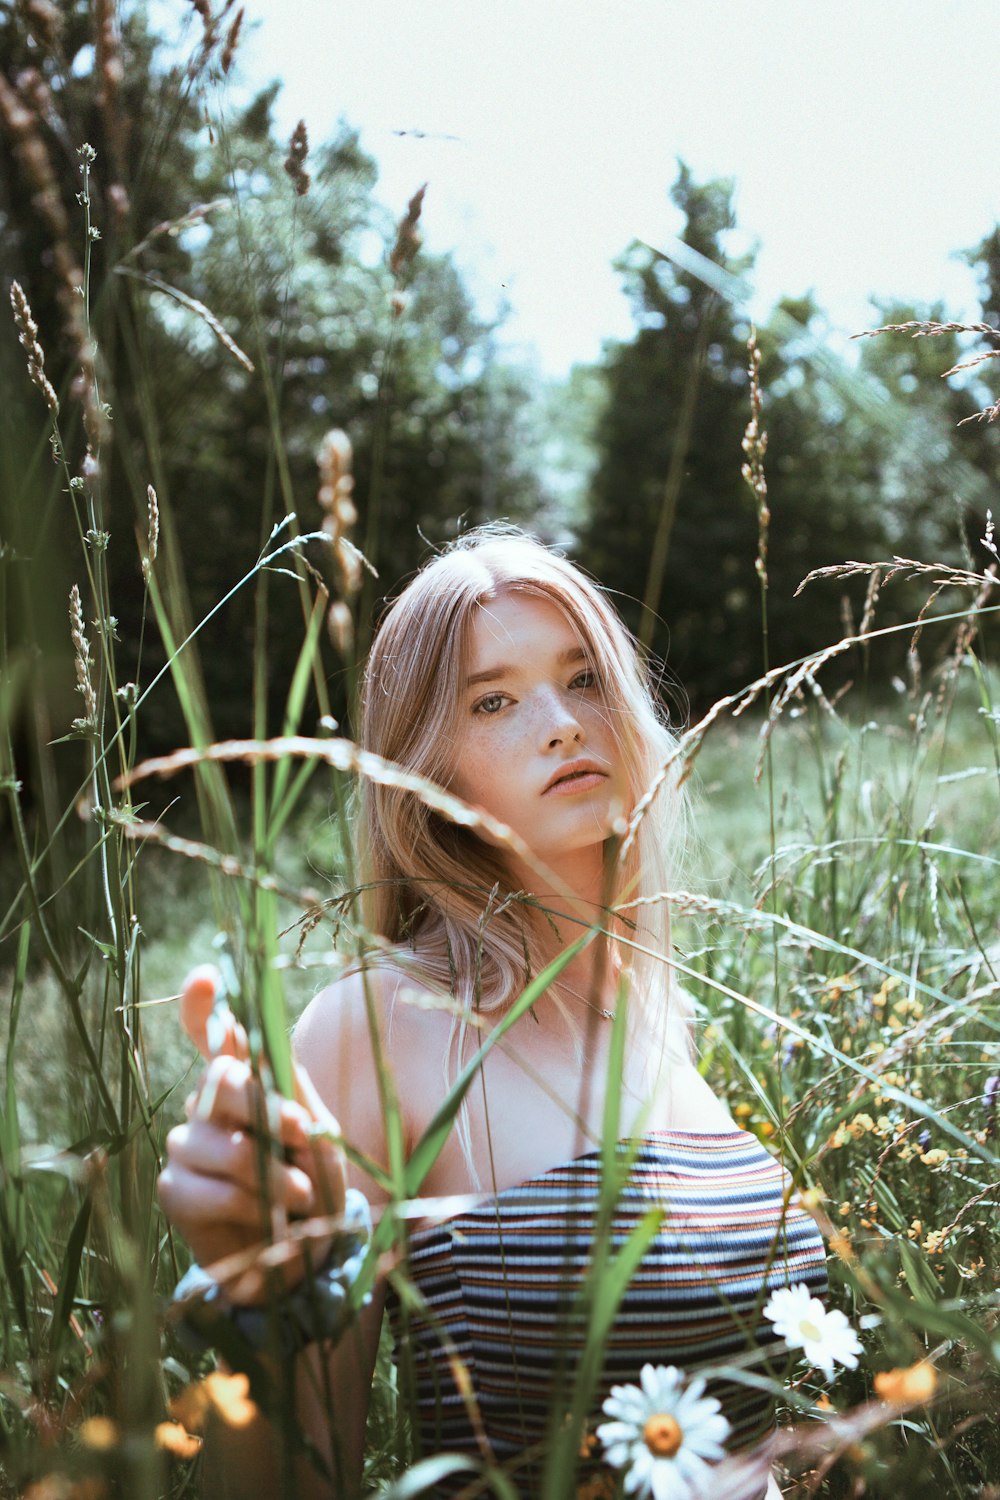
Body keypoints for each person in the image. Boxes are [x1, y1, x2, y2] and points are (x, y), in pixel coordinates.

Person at [158, 526, 827, 1499]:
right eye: (495, 701)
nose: (560, 722)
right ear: (424, 771)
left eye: (585, 677)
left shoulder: (658, 1007)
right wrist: (250, 1298)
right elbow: (305, 1473)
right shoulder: (373, 1029)